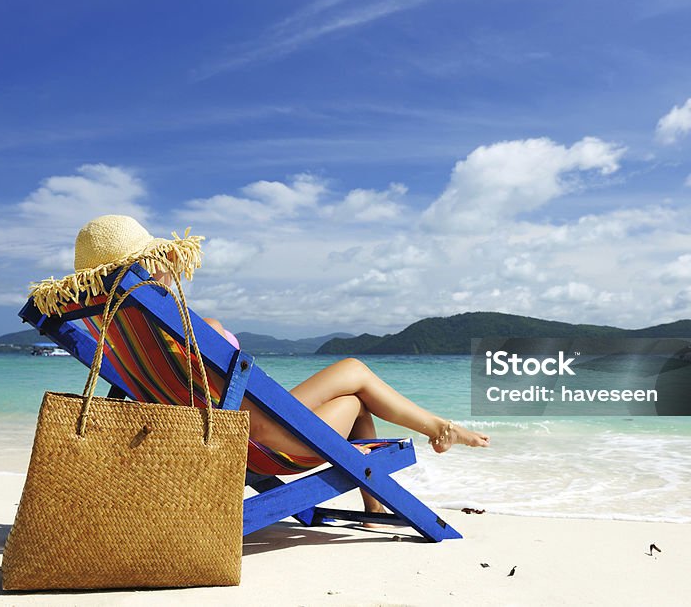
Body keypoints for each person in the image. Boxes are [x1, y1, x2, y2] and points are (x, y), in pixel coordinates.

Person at [30, 215, 489, 519]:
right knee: (354, 371)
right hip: (261, 440)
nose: (170, 269)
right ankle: (437, 429)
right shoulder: (182, 327)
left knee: (354, 398)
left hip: (228, 436)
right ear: (151, 269)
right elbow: (232, 394)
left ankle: (379, 503)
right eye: (162, 262)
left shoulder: (115, 337)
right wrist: (215, 330)